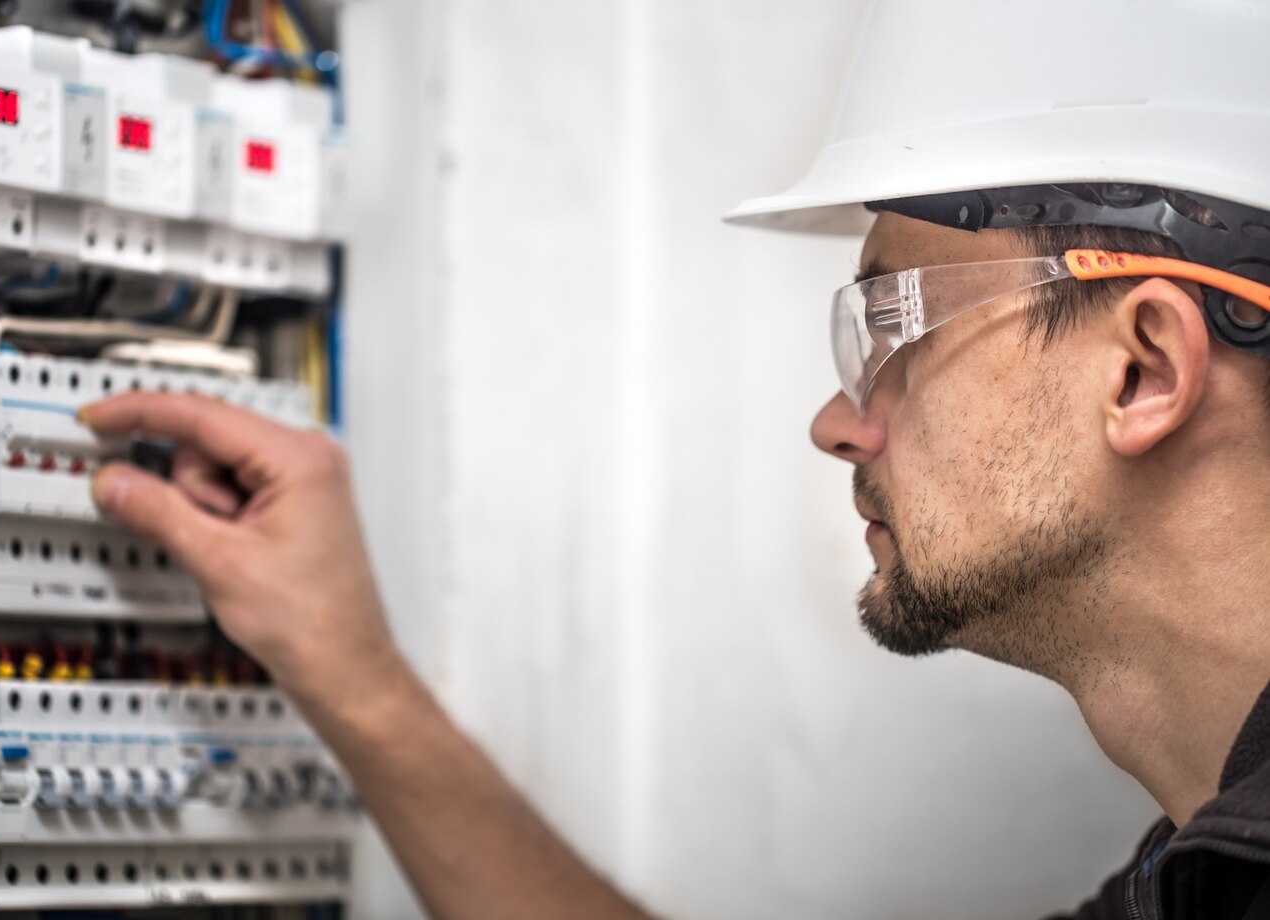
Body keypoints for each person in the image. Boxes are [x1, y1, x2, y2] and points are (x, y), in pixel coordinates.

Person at [78, 0, 1270, 917]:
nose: (840, 420)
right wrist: (356, 676)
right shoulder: (1205, 875)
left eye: (895, 323)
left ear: (1145, 366)